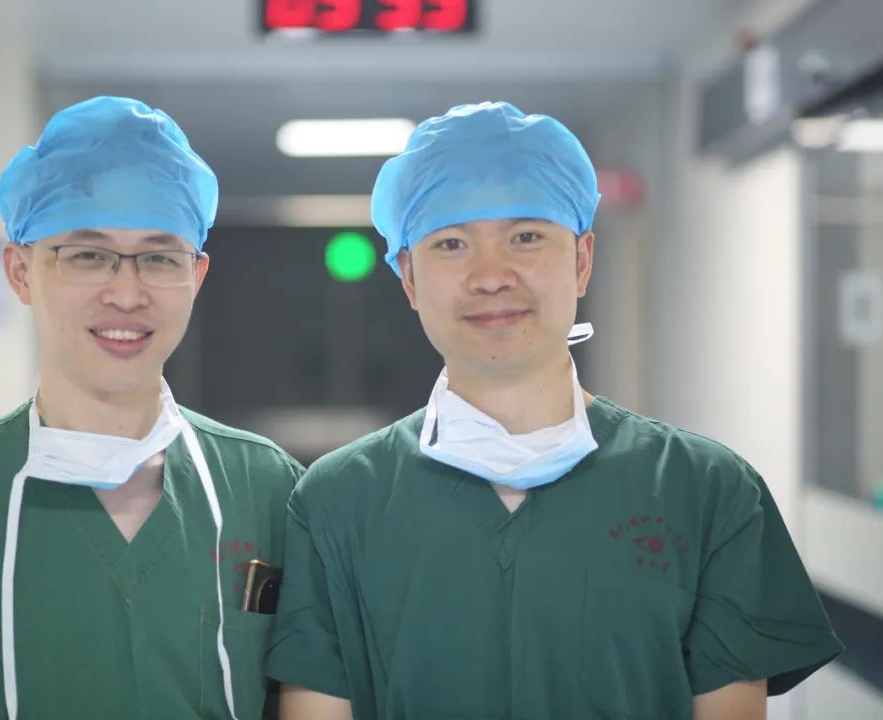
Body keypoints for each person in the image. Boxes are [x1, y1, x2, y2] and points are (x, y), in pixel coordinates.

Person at [265, 101, 843, 720]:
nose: (491, 276)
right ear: (408, 277)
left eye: (526, 237)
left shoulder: (704, 490)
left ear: (582, 260)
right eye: (452, 243)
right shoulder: (338, 501)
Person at [0, 96, 301, 720]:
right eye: (87, 254)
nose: (126, 293)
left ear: (196, 277)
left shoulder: (267, 489)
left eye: (159, 257)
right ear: (20, 271)